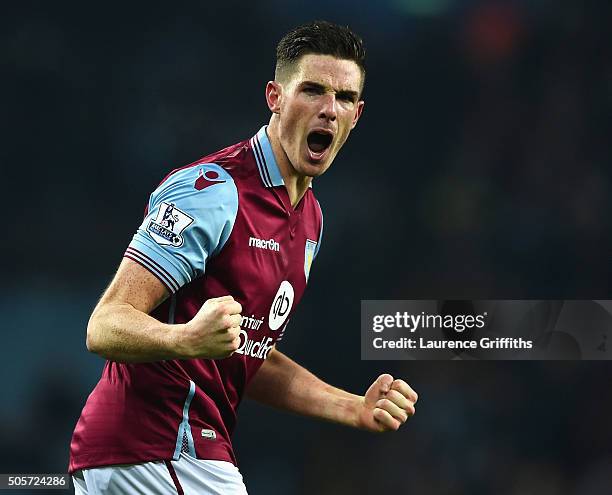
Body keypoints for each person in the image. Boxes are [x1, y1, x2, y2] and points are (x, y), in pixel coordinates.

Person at [69, 20, 418, 494]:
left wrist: (352, 407)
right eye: (311, 91)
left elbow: (248, 356)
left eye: (343, 98)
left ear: (357, 115)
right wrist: (185, 338)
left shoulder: (310, 220)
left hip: (172, 454)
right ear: (275, 97)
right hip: (156, 447)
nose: (328, 110)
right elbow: (105, 324)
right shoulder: (213, 192)